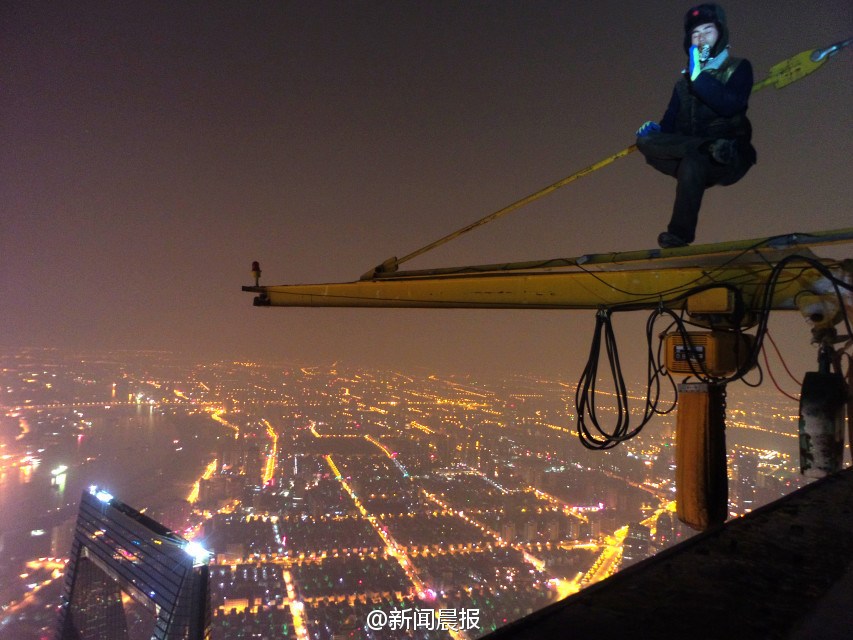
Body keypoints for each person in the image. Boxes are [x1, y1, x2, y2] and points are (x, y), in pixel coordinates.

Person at [636, 3, 757, 248]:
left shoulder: (738, 67)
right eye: (696, 34)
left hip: (728, 157)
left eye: (707, 31)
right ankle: (706, 146)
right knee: (646, 141)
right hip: (694, 153)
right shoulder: (682, 85)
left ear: (720, 34)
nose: (701, 38)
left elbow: (729, 105)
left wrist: (698, 76)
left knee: (693, 160)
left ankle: (679, 235)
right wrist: (654, 131)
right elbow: (668, 127)